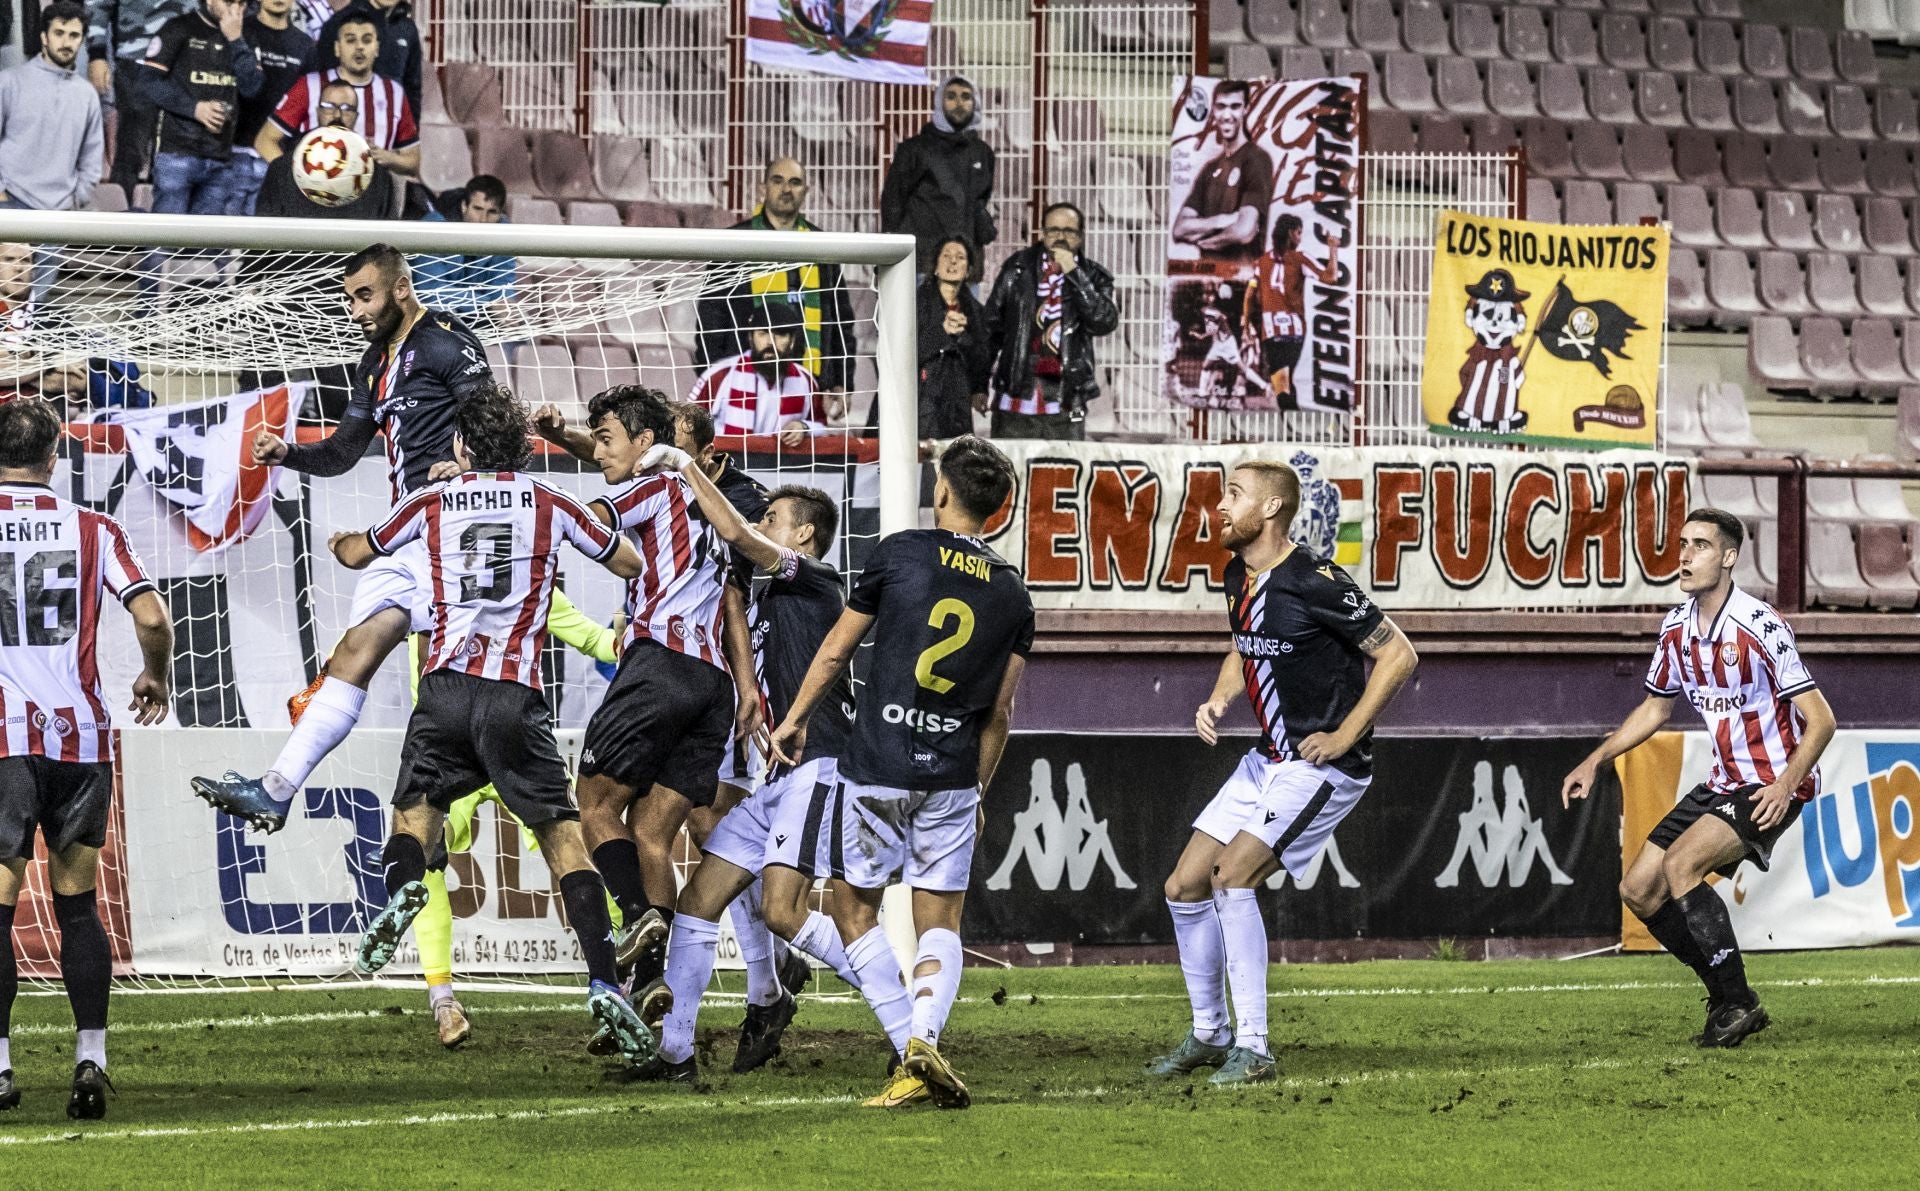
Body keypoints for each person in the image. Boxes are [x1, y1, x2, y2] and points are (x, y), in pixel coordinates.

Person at [324, 382, 661, 1068]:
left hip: (444, 690)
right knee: (565, 840)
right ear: (524, 447)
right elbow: (631, 560)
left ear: (458, 447)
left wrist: (341, 542)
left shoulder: (431, 499)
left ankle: (405, 890)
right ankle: (602, 980)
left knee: (414, 823)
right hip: (515, 696)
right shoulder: (551, 500)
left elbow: (363, 551)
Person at [189, 244, 494, 832]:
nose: (355, 310)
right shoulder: (375, 361)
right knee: (354, 652)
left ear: (401, 288)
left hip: (450, 526)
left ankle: (453, 811)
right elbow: (343, 451)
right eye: (350, 297)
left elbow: (492, 420)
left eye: (365, 295)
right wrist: (288, 453)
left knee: (445, 675)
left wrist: (469, 467)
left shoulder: (449, 341)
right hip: (404, 529)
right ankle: (276, 790)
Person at [770, 435, 1032, 1111]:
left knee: (854, 909)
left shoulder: (902, 551)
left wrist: (796, 715)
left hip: (878, 760)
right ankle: (923, 1038)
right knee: (940, 917)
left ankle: (906, 1048)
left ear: (941, 492)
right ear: (997, 509)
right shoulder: (1014, 593)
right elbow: (1000, 712)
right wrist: (978, 787)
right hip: (950, 771)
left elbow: (835, 650)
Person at [1150, 460, 1418, 1086]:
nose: (1220, 506)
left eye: (1234, 495)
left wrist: (1346, 734)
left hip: (1320, 767)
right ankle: (1211, 1033)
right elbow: (1243, 644)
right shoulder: (1236, 576)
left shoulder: (1315, 579)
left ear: (1270, 509)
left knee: (1231, 876)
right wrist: (1220, 697)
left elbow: (1398, 652)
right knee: (1183, 886)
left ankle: (1255, 1047)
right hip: (1266, 762)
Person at [1562, 509, 1835, 1049]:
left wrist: (1785, 786)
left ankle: (1735, 1002)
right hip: (1722, 780)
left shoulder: (1760, 627)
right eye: (1683, 544)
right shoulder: (1676, 628)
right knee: (1638, 890)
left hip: (1771, 784)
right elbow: (1654, 709)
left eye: (1701, 546)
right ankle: (1731, 996)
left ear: (1729, 558)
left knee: (1681, 863)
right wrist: (1595, 759)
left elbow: (1822, 719)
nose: (1684, 557)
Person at [634, 454, 866, 1084]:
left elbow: (737, 533)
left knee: (786, 912)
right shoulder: (770, 602)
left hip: (823, 768)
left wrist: (683, 467)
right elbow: (736, 581)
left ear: (803, 534)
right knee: (698, 900)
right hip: (779, 780)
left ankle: (908, 1007)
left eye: (774, 518)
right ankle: (675, 1054)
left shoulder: (815, 579)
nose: (762, 523)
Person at [531, 386, 745, 1018]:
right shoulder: (715, 502)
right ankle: (653, 983)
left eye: (605, 439)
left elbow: (594, 515)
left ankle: (636, 917)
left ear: (646, 443)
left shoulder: (657, 486)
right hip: (713, 687)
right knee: (653, 833)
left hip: (660, 667)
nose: (598, 452)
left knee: (594, 806)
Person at [0, 397, 173, 1120]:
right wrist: (155, 674)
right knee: (78, 909)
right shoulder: (94, 528)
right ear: (53, 458)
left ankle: (1, 1070)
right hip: (80, 740)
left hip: (4, 739)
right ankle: (91, 1057)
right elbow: (152, 614)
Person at [392, 585, 620, 1048]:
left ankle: (443, 1002)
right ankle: (615, 980)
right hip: (512, 733)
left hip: (447, 741)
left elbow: (366, 639)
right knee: (572, 850)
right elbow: (598, 643)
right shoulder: (528, 581)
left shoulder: (425, 583)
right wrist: (628, 634)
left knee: (423, 852)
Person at [693, 158, 856, 422]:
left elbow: (840, 320)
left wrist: (842, 380)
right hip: (744, 383)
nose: (786, 189)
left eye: (795, 182)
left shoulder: (824, 246)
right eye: (777, 180)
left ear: (806, 191)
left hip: (807, 382)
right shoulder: (733, 244)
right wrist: (712, 374)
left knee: (802, 460)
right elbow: (711, 321)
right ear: (762, 188)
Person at [982, 202, 1117, 440]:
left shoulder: (1094, 276)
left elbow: (1103, 321)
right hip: (1015, 398)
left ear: (1081, 236)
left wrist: (1074, 273)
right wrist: (978, 385)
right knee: (1009, 475)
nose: (1060, 237)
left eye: (1069, 231)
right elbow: (991, 328)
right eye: (1053, 230)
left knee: (1064, 474)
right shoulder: (1017, 268)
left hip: (1068, 403)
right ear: (1043, 233)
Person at [130, 0, 262, 216]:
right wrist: (194, 108)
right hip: (177, 152)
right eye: (229, 1)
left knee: (206, 246)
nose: (236, 10)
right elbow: (147, 83)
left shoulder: (246, 36)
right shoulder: (179, 27)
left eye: (241, 3)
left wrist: (236, 40)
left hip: (221, 155)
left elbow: (252, 88)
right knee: (165, 241)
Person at [258, 12, 418, 178]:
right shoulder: (310, 85)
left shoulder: (394, 92)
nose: (359, 47)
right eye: (350, 40)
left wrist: (389, 158)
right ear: (337, 48)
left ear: (377, 48)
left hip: (372, 196)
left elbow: (414, 160)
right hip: (316, 195)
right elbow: (264, 141)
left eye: (367, 40)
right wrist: (297, 178)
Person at [881, 74, 995, 275]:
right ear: (939, 101)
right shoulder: (914, 149)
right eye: (951, 96)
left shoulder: (983, 152)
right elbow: (893, 202)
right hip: (921, 265)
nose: (959, 103)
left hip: (964, 266)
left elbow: (981, 201)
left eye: (966, 97)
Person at [0, 2, 106, 218]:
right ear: (44, 37)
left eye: (74, 35)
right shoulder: (10, 82)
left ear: (82, 41)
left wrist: (76, 199)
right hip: (10, 204)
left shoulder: (86, 94)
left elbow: (92, 157)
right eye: (59, 33)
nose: (66, 42)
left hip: (59, 212)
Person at [85, 0, 197, 190]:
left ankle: (169, 217)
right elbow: (98, 4)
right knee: (131, 151)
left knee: (182, 156)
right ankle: (120, 215)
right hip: (136, 57)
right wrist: (97, 54)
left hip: (191, 59)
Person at [252, 78, 397, 218]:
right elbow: (266, 227)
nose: (337, 115)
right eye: (329, 107)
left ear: (356, 116)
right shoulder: (282, 169)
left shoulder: (378, 176)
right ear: (318, 112)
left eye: (347, 109)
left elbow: (387, 232)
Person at [687, 300, 824, 448]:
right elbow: (685, 424)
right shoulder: (720, 375)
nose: (771, 342)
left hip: (780, 468)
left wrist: (803, 427)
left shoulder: (806, 381)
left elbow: (823, 427)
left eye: (780, 334)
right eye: (763, 333)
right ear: (751, 338)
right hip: (727, 465)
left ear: (792, 341)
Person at [222, 0, 311, 215]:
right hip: (232, 151)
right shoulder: (239, 31)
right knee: (220, 240)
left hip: (275, 155)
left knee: (261, 242)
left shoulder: (306, 45)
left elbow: (307, 104)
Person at [1170, 80, 1272, 265]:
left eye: (1235, 107)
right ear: (1213, 111)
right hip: (1206, 281)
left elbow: (1244, 231)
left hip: (1243, 278)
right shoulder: (1209, 169)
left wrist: (1209, 241)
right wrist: (1224, 220)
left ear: (1245, 110)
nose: (1227, 115)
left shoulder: (1256, 159)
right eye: (1221, 107)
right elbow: (1179, 228)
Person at [1243, 214, 1340, 407]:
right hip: (1295, 331)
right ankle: (1292, 425)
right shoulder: (1300, 258)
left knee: (1281, 383)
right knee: (1286, 382)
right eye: (1299, 232)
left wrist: (1246, 324)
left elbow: (1249, 295)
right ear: (1290, 233)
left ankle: (1290, 423)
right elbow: (1331, 277)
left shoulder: (1261, 263)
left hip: (1272, 331)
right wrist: (1333, 248)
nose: (1300, 237)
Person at [910, 235, 991, 439]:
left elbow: (981, 358)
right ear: (935, 267)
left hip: (957, 405)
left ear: (969, 270)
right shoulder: (914, 305)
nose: (952, 261)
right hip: (920, 401)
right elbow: (904, 353)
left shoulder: (976, 312)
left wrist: (963, 337)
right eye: (946, 256)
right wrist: (941, 333)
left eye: (960, 257)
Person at [411, 174, 516, 322]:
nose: (483, 220)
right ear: (464, 206)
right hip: (427, 310)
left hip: (476, 311)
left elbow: (502, 283)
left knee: (513, 320)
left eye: (492, 212)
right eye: (478, 209)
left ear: (500, 214)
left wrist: (505, 307)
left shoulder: (506, 233)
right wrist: (487, 304)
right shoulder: (434, 227)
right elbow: (430, 289)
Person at [302, 0, 420, 119]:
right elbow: (322, 81)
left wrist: (412, 131)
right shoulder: (338, 23)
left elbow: (413, 87)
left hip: (392, 125)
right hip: (348, 123)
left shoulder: (407, 28)